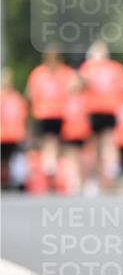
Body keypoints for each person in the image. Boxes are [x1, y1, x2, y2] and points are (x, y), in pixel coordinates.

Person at [79, 41, 123, 189]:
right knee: (108, 143)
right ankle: (108, 174)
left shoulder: (88, 67)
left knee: (94, 146)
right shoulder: (117, 68)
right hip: (111, 109)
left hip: (93, 109)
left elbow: (78, 86)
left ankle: (94, 179)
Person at [24, 48, 78, 186]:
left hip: (61, 113)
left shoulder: (64, 72)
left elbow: (76, 86)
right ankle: (50, 167)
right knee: (50, 140)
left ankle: (54, 169)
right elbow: (29, 94)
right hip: (44, 113)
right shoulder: (39, 73)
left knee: (58, 144)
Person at [0, 68, 27, 190]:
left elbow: (21, 116)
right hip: (3, 133)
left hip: (13, 134)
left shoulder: (16, 97)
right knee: (3, 159)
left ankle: (7, 180)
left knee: (8, 159)